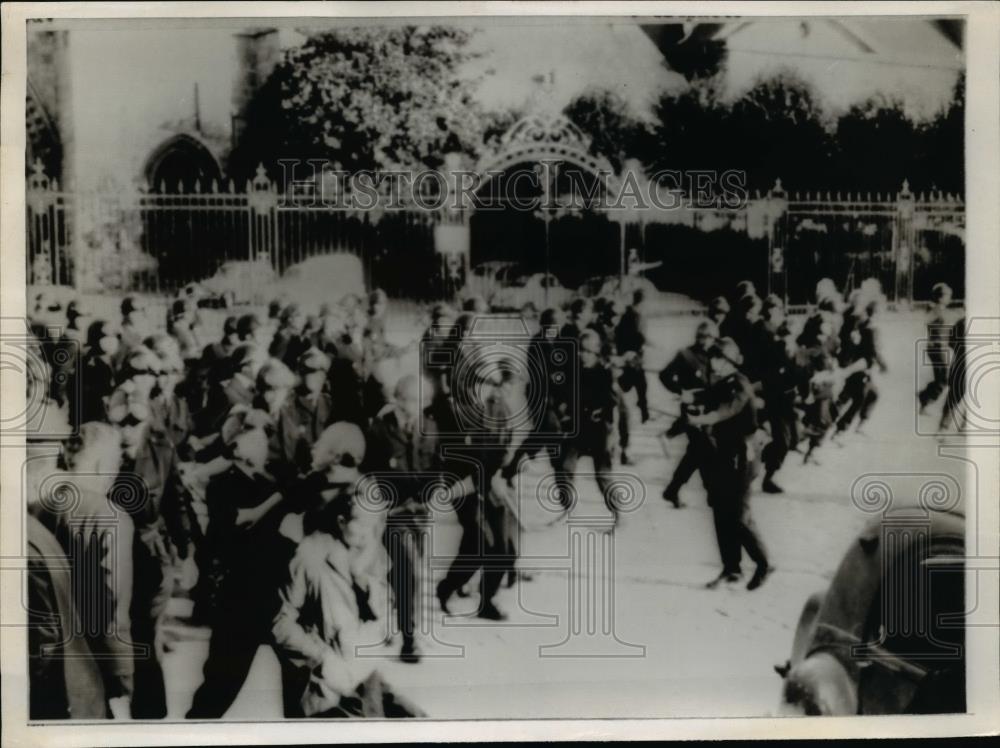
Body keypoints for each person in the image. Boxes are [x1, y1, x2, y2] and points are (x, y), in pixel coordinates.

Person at [186, 427, 303, 719]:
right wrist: (275, 501)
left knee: (298, 674)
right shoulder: (225, 485)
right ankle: (194, 731)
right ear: (239, 450)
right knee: (223, 679)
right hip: (242, 594)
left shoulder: (264, 480)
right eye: (258, 442)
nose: (266, 447)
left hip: (271, 591)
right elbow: (238, 522)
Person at [34, 421, 136, 719]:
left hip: (48, 659)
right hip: (90, 668)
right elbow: (111, 606)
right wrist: (122, 677)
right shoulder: (110, 516)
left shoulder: (39, 507)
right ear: (105, 463)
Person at [363, 375, 440, 664]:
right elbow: (368, 472)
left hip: (419, 515)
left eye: (421, 401)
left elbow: (436, 470)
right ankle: (410, 639)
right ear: (397, 398)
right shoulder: (380, 430)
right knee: (410, 572)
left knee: (404, 574)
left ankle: (397, 615)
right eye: (409, 400)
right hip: (392, 515)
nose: (414, 407)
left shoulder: (430, 429)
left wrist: (427, 494)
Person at [688, 337, 771, 591]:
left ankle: (763, 563)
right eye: (712, 357)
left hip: (742, 457)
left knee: (738, 514)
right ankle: (731, 568)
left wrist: (702, 418)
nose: (712, 362)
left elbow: (726, 411)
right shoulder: (723, 382)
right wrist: (690, 399)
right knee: (721, 511)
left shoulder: (739, 385)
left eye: (717, 358)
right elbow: (708, 396)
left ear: (728, 361)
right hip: (724, 455)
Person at [548, 329, 621, 523]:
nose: (583, 355)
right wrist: (562, 407)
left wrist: (612, 433)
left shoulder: (604, 374)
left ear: (597, 353)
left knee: (603, 475)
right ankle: (567, 509)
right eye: (581, 350)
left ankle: (617, 513)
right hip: (577, 429)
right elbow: (560, 393)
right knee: (565, 467)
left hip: (598, 431)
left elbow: (612, 404)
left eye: (588, 352)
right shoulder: (572, 370)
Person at [658, 320, 717, 508]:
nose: (705, 341)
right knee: (705, 448)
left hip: (710, 409)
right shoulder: (686, 355)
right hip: (692, 410)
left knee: (696, 453)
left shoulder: (717, 355)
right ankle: (712, 493)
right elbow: (665, 375)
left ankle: (673, 490)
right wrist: (680, 391)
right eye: (702, 336)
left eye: (709, 337)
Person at [758, 296, 798, 494]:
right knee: (783, 441)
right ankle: (768, 478)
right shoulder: (768, 337)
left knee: (792, 440)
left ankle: (764, 455)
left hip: (785, 399)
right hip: (774, 398)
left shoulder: (785, 346)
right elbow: (768, 372)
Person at [918, 282, 955, 414]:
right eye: (948, 295)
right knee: (943, 380)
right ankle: (924, 397)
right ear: (941, 297)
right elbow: (926, 320)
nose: (950, 298)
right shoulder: (936, 309)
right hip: (937, 348)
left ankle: (924, 399)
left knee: (942, 379)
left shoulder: (941, 310)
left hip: (940, 348)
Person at [616, 289, 651, 425]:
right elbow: (636, 336)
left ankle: (644, 412)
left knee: (637, 384)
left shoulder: (635, 314)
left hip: (633, 356)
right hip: (630, 357)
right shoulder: (634, 315)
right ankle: (643, 413)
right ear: (642, 301)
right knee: (635, 384)